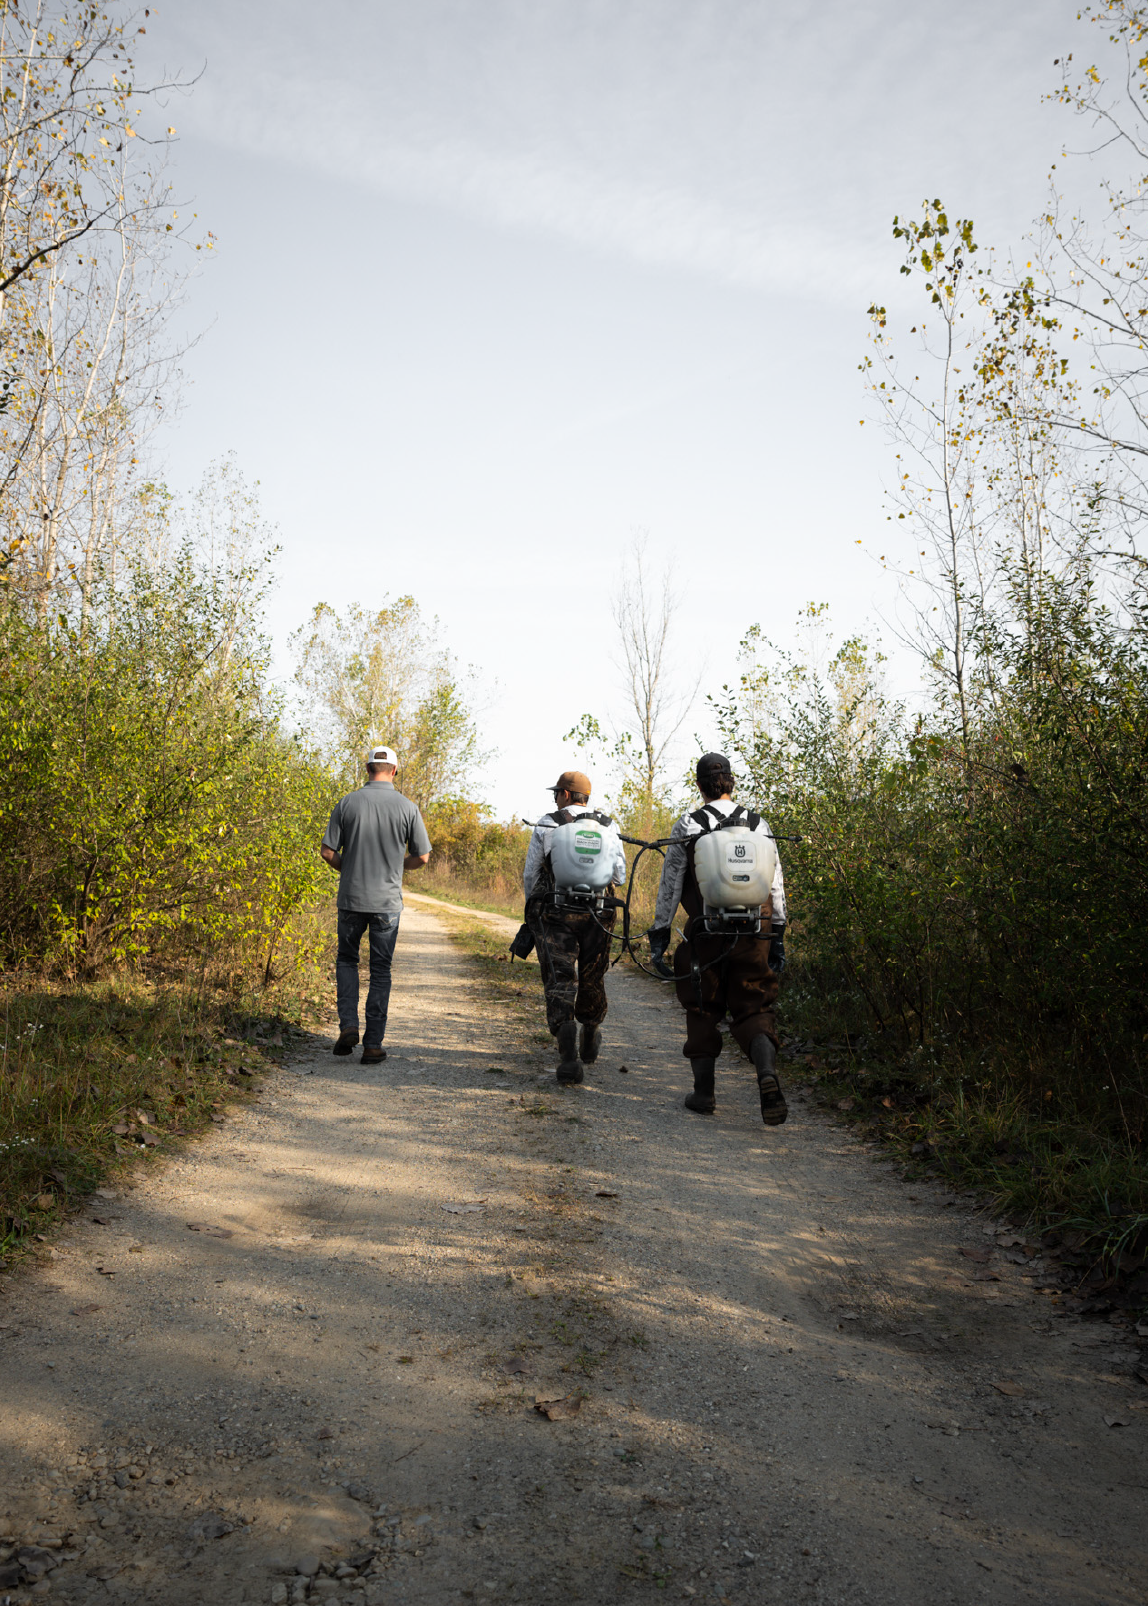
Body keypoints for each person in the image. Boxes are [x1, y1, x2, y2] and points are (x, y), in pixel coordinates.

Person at [648, 752, 788, 1124]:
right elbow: (775, 887)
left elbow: (670, 886)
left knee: (702, 1005)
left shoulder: (688, 825)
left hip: (707, 931)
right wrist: (778, 936)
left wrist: (660, 935)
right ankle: (767, 1075)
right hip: (756, 930)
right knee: (755, 1005)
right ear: (731, 781)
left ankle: (704, 1093)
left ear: (699, 785)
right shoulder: (760, 825)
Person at [320, 744, 432, 1064]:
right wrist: (399, 869)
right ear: (394, 771)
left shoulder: (347, 803)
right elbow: (422, 856)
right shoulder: (408, 808)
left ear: (367, 769)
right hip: (386, 903)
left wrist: (351, 868)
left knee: (347, 960)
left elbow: (328, 851)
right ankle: (372, 1044)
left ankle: (349, 1026)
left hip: (351, 899)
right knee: (380, 969)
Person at [520, 769, 627, 1085]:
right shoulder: (608, 826)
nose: (554, 798)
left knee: (560, 977)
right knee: (593, 974)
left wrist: (531, 910)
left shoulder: (548, 822)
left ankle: (568, 1060)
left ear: (565, 795)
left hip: (556, 911)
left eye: (556, 792)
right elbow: (618, 876)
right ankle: (591, 1032)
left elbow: (531, 873)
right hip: (599, 913)